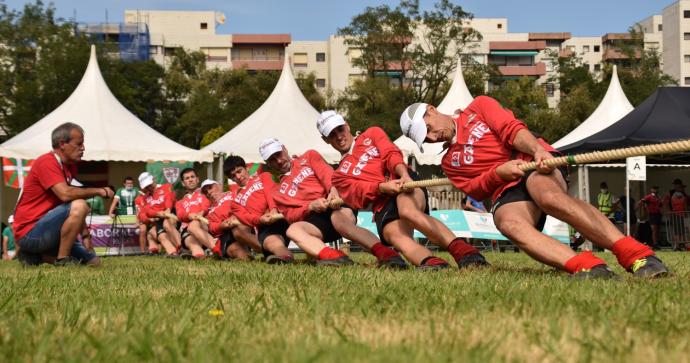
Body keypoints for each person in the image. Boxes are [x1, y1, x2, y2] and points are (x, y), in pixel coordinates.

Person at [400, 96, 670, 278]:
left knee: (549, 197)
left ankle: (638, 256)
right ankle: (587, 267)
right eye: (428, 139)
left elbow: (510, 128)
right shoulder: (449, 162)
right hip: (505, 187)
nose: (434, 137)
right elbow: (476, 189)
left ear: (432, 110)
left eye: (430, 129)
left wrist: (538, 151)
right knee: (508, 224)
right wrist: (498, 173)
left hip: (531, 161)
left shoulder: (479, 106)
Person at [316, 111, 486, 270]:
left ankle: (466, 253)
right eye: (331, 134)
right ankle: (432, 263)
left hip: (403, 181)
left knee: (407, 210)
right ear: (325, 140)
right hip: (382, 201)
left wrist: (403, 174)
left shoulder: (372, 133)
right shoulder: (338, 175)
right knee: (394, 235)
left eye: (340, 129)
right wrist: (381, 187)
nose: (339, 136)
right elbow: (358, 193)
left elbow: (390, 153)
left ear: (347, 125)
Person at [262, 138, 400, 266]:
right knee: (293, 230)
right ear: (268, 164)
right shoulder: (277, 192)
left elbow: (328, 175)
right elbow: (291, 216)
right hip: (316, 217)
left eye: (278, 154)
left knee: (337, 219)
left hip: (337, 203)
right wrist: (310, 206)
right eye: (273, 160)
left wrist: (333, 192)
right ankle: (336, 258)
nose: (279, 161)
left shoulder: (309, 156)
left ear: (285, 149)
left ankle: (387, 254)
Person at [13, 123, 111, 266]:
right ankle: (62, 260)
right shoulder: (46, 162)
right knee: (80, 204)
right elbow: (66, 195)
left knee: (94, 263)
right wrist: (100, 190)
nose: (83, 148)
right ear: (62, 144)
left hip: (49, 229)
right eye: (79, 143)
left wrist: (85, 235)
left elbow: (72, 204)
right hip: (30, 233)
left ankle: (36, 256)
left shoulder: (69, 167)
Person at [224, 155, 294, 264]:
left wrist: (273, 210)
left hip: (283, 215)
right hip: (266, 226)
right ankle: (285, 258)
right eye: (233, 176)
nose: (238, 176)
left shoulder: (263, 176)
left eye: (239, 171)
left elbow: (270, 192)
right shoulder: (235, 201)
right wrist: (260, 219)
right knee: (273, 242)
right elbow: (246, 218)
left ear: (246, 168)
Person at [201, 180, 254, 260]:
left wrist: (235, 215)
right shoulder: (209, 211)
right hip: (225, 234)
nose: (208, 192)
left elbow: (246, 205)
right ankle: (249, 256)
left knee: (238, 229)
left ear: (219, 186)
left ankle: (263, 249)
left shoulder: (233, 194)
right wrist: (221, 225)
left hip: (240, 224)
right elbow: (211, 227)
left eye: (210, 187)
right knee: (236, 250)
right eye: (205, 192)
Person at [175, 168, 215, 259]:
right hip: (188, 232)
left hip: (204, 226)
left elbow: (207, 206)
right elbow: (180, 215)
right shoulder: (180, 202)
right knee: (191, 242)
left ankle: (216, 249)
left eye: (192, 177)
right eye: (187, 178)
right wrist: (189, 215)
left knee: (194, 223)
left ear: (197, 179)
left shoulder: (205, 194)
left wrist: (200, 214)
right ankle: (199, 256)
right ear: (183, 183)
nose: (190, 179)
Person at [138, 172, 180, 256]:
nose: (148, 187)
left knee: (166, 224)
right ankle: (173, 253)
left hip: (171, 213)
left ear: (153, 179)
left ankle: (180, 247)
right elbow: (146, 211)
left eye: (149, 184)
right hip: (158, 218)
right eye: (146, 186)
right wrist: (156, 214)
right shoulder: (145, 197)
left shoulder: (166, 187)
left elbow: (169, 198)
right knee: (161, 236)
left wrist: (167, 209)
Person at [663, 179, 689, 250]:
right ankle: (676, 245)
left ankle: (682, 244)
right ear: (674, 185)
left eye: (679, 185)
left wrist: (686, 212)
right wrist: (669, 212)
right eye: (676, 185)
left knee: (682, 230)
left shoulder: (683, 193)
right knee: (677, 230)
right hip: (675, 214)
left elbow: (686, 203)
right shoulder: (670, 193)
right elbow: (665, 202)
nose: (678, 186)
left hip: (683, 214)